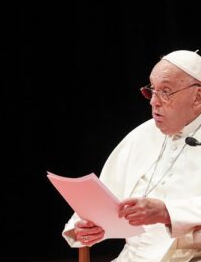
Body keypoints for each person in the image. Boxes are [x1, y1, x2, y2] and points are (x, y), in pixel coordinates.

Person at [62, 49, 201, 262]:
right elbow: (102, 198)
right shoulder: (142, 134)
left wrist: (167, 212)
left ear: (198, 97)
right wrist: (87, 226)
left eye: (165, 91)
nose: (153, 102)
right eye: (151, 90)